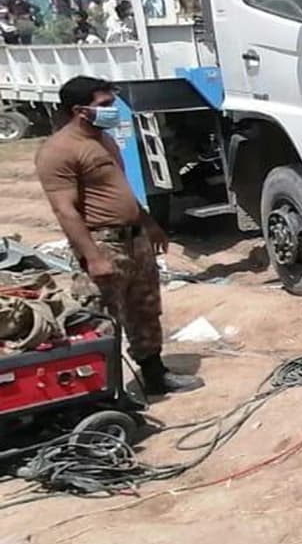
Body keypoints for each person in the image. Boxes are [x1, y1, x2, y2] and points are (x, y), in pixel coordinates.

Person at [37, 76, 200, 396]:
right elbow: (65, 210)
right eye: (104, 105)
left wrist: (149, 224)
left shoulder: (104, 139)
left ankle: (155, 375)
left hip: (135, 239)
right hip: (103, 242)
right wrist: (93, 257)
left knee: (145, 310)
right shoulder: (58, 151)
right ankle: (108, 395)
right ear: (79, 110)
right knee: (102, 320)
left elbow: (120, 190)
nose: (112, 111)